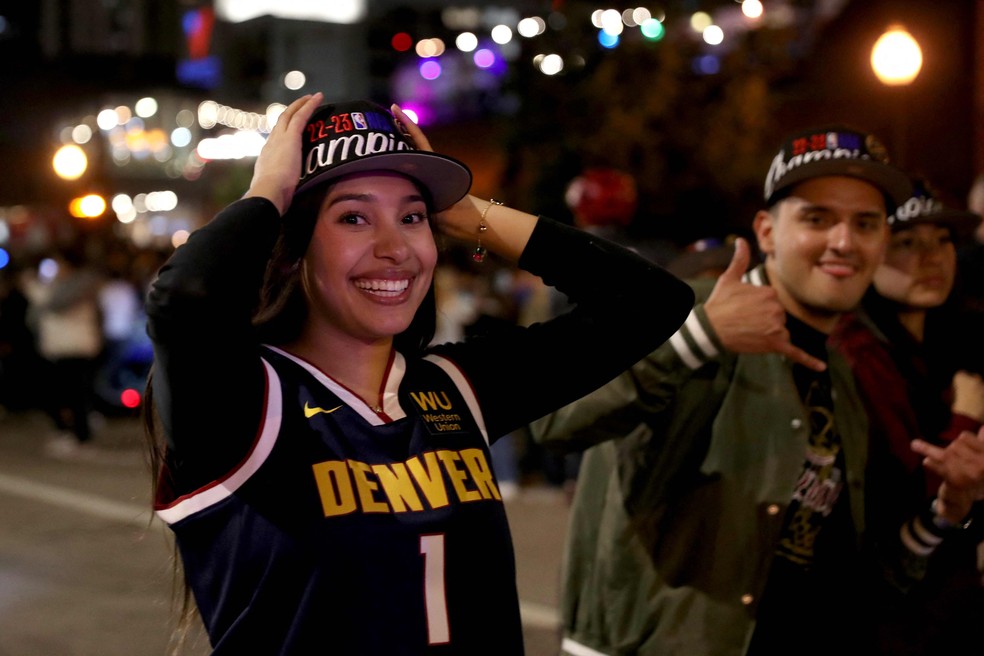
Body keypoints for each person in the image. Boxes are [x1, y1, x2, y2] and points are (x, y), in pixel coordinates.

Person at [143, 93, 694, 654]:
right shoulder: (245, 400)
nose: (395, 249)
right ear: (291, 251)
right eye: (353, 217)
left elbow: (651, 302)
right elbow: (185, 297)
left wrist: (465, 211)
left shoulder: (455, 388)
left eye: (411, 218)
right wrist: (268, 194)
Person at [530, 124, 984, 656]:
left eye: (866, 223)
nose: (844, 240)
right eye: (817, 219)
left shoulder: (845, 371)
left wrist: (945, 513)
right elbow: (554, 421)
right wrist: (703, 337)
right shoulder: (683, 310)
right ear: (766, 232)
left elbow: (863, 580)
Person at [829, 177, 984, 655]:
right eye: (907, 243)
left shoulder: (945, 343)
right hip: (887, 617)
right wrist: (965, 418)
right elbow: (906, 487)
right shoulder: (856, 354)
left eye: (943, 241)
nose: (932, 257)